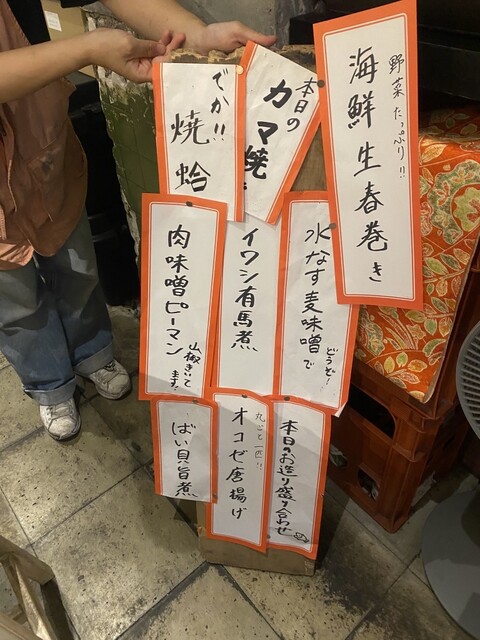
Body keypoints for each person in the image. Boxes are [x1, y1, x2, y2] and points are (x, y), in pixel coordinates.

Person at [0, 0, 276, 441]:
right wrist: (88, 48)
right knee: (15, 301)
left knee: (77, 265)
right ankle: (49, 383)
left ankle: (93, 353)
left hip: (39, 140)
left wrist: (194, 33)